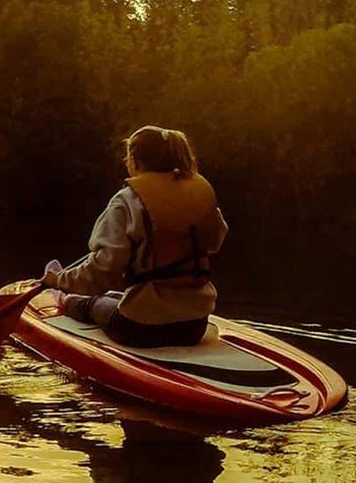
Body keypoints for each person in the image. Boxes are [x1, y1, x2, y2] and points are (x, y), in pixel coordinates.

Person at [43, 125, 227, 349]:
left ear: (136, 160)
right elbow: (214, 241)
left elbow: (101, 273)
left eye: (128, 156)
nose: (126, 161)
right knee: (116, 296)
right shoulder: (200, 194)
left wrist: (60, 280)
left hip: (141, 328)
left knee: (92, 302)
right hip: (194, 325)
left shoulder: (127, 200)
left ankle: (64, 300)